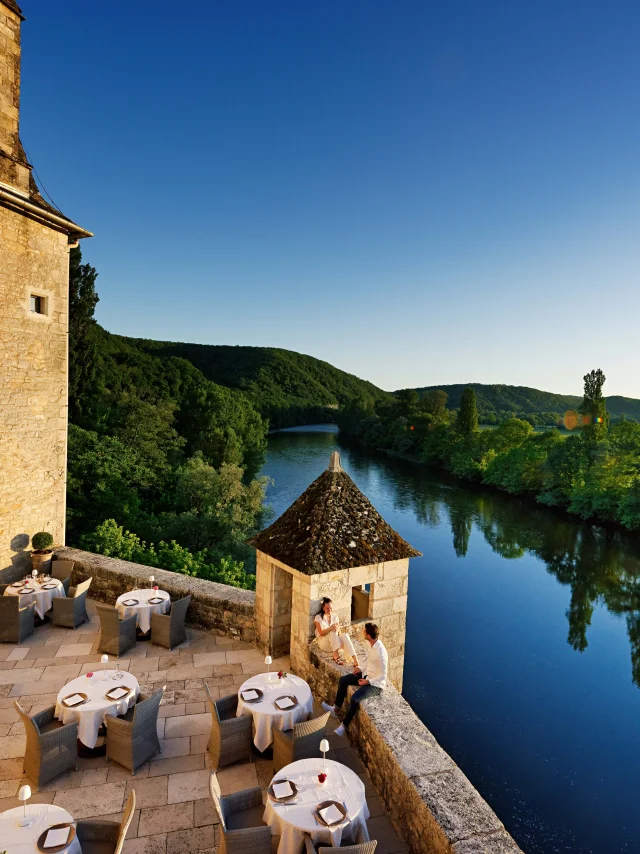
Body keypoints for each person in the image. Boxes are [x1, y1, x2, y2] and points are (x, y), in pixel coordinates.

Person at [322, 622, 387, 737]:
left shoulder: (381, 652)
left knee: (355, 699)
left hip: (375, 685)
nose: (363, 632)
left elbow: (383, 675)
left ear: (368, 635)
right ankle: (336, 709)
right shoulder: (373, 646)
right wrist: (360, 669)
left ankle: (344, 727)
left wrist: (368, 682)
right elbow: (368, 662)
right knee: (343, 680)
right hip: (366, 675)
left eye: (364, 631)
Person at [314, 597, 359, 666]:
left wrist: (337, 630)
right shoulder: (318, 617)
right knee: (332, 630)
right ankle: (336, 656)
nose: (329, 610)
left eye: (331, 608)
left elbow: (339, 633)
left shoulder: (335, 617)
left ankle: (355, 659)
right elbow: (321, 633)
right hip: (324, 643)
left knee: (345, 635)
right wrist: (330, 629)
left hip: (334, 643)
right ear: (323, 608)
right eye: (327, 608)